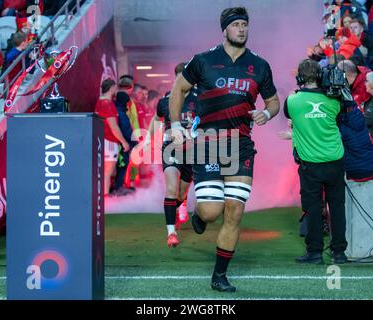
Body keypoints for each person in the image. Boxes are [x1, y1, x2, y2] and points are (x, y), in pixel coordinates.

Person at [169, 7, 280, 292]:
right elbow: (178, 89)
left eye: (245, 24)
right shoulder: (204, 60)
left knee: (234, 211)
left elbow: (273, 102)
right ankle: (198, 215)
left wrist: (266, 115)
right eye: (236, 25)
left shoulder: (260, 65)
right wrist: (175, 124)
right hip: (207, 146)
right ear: (225, 29)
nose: (242, 29)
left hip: (241, 148)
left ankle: (219, 276)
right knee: (210, 212)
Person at [284, 59, 348, 265]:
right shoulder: (334, 100)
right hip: (335, 160)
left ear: (300, 77)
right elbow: (343, 114)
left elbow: (290, 116)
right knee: (337, 207)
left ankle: (315, 253)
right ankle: (339, 253)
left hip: (310, 164)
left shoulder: (292, 101)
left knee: (313, 209)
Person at [146, 62, 197, 248]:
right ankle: (171, 233)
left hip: (191, 152)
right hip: (170, 148)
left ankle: (178, 206)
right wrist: (148, 139)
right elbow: (156, 119)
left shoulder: (199, 99)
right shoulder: (165, 101)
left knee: (182, 193)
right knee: (171, 189)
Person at [94, 79, 130, 197]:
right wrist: (124, 142)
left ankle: (103, 198)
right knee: (107, 172)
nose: (116, 90)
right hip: (109, 141)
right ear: (111, 88)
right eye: (115, 87)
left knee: (104, 172)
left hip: (102, 140)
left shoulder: (100, 102)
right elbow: (113, 126)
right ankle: (105, 199)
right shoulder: (107, 104)